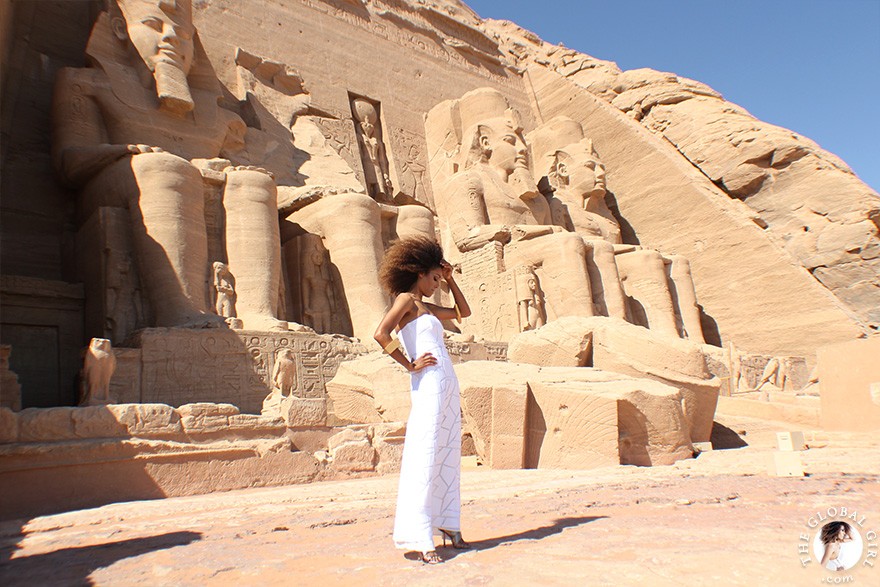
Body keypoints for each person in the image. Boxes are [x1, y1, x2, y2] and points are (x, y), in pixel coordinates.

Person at [373, 237, 472, 564]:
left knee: (448, 454)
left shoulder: (428, 307)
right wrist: (409, 364)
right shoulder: (406, 300)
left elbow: (463, 312)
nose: (435, 284)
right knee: (427, 453)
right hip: (427, 382)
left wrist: (451, 278)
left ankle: (450, 526)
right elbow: (381, 333)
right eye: (433, 278)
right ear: (418, 273)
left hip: (446, 382)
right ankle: (420, 535)